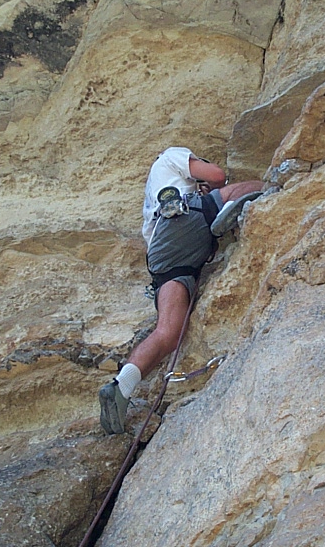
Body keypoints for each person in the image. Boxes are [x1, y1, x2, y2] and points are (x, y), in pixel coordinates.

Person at [99, 146, 264, 434]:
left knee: (168, 332)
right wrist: (211, 186)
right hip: (182, 220)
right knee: (256, 187)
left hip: (164, 260)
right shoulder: (170, 156)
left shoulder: (149, 200)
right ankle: (227, 208)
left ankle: (120, 387)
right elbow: (217, 174)